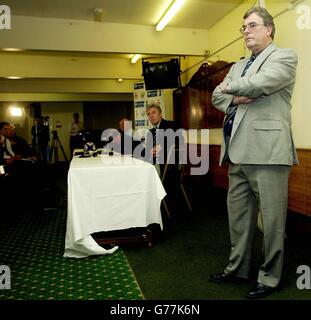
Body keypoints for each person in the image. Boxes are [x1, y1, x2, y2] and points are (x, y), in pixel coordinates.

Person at [210, 7, 298, 299]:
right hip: (236, 152)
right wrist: (235, 96)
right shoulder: (238, 65)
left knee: (272, 222)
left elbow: (261, 83)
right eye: (243, 27)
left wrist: (229, 90)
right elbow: (215, 96)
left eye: (252, 25)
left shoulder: (285, 57)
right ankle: (239, 269)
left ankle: (270, 277)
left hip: (268, 154)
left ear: (269, 29)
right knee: (238, 219)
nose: (246, 30)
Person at [145, 104, 182, 176]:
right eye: (148, 114)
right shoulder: (150, 132)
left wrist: (161, 147)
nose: (151, 116)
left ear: (160, 114)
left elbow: (177, 141)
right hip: (153, 163)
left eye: (154, 112)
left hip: (168, 165)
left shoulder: (171, 125)